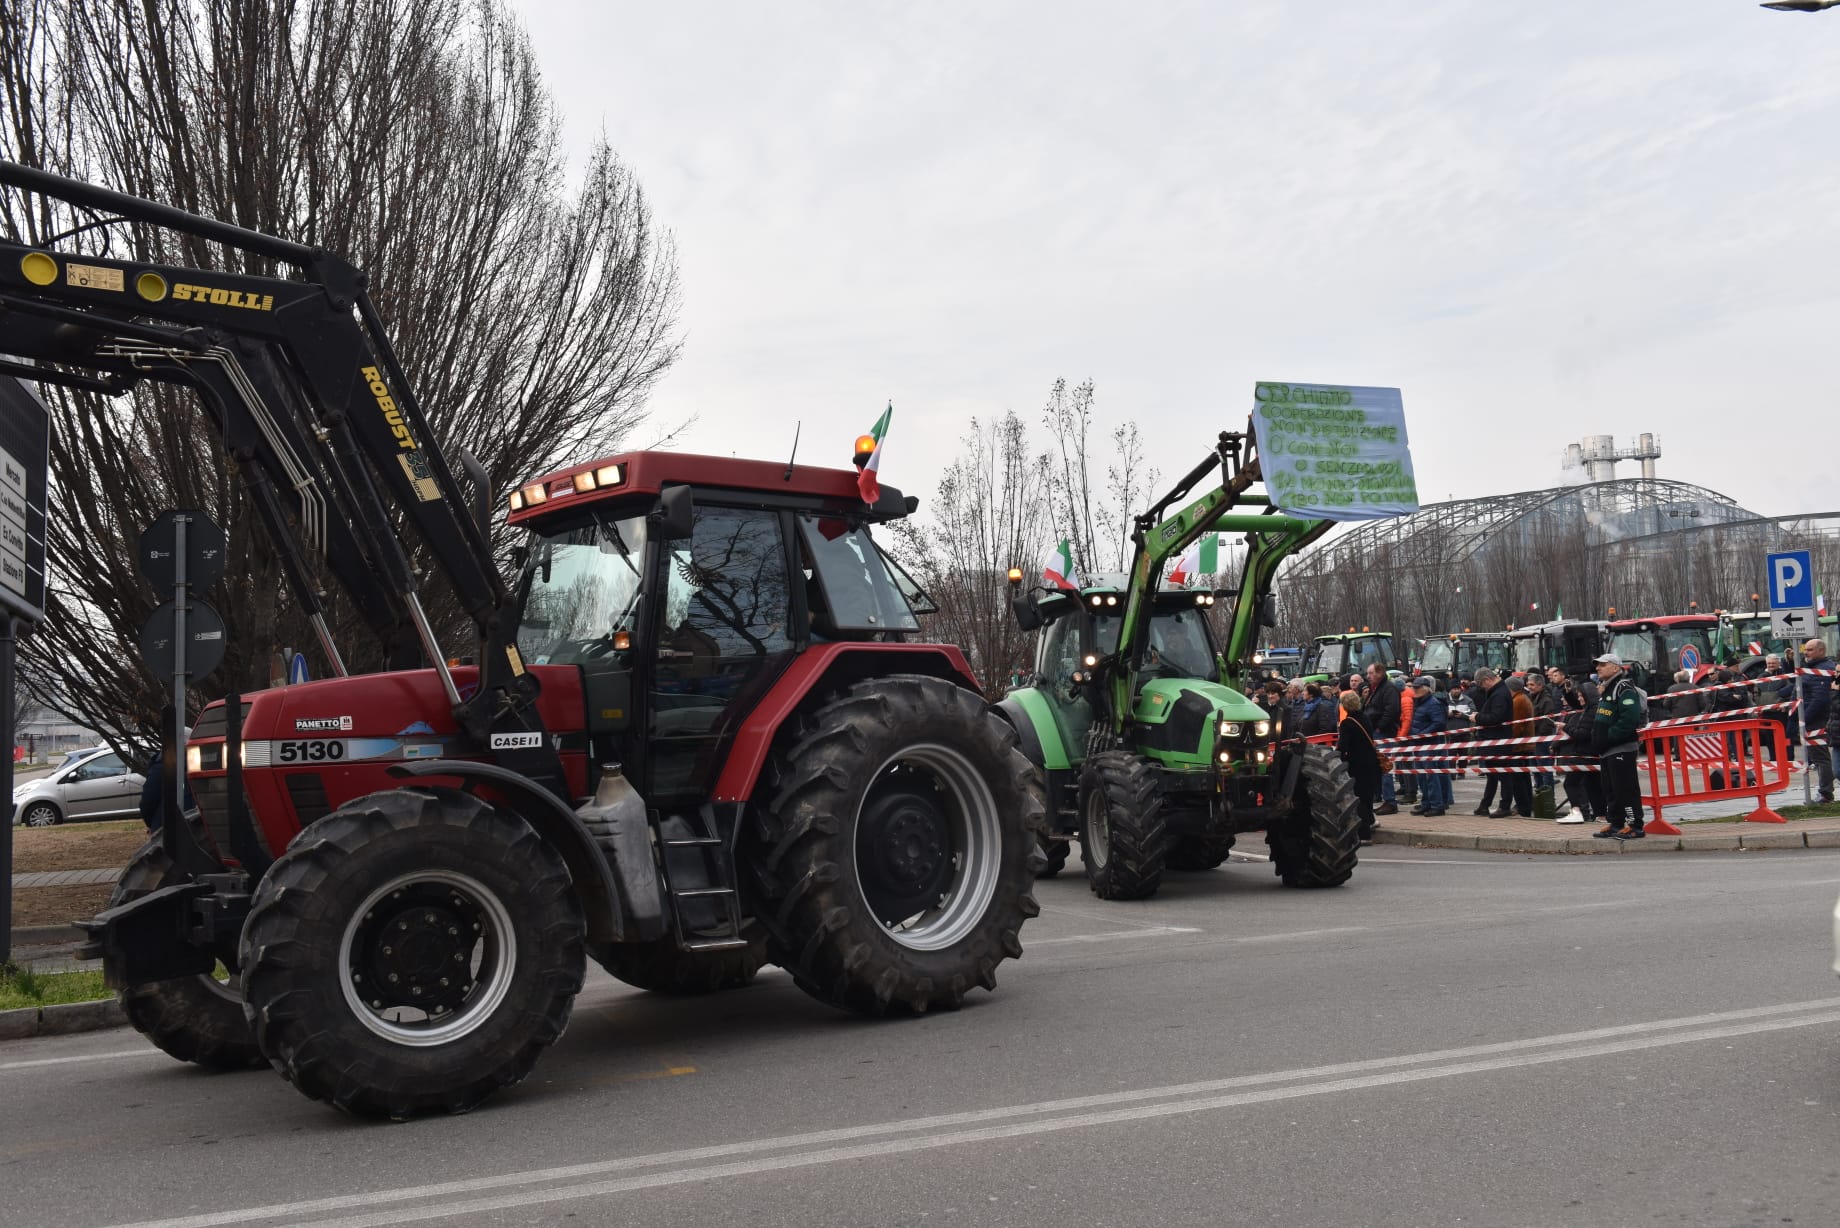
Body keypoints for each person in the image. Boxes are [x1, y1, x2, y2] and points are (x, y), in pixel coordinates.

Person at [1590, 653, 1647, 839]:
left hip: (1621, 748)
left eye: (1602, 665)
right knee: (1611, 789)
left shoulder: (1623, 687)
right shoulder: (1608, 688)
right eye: (1597, 665)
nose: (1598, 668)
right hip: (1608, 749)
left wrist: (1608, 737)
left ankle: (1635, 825)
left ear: (1615, 667)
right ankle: (1616, 823)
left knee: (1626, 788)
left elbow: (1630, 718)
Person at [1337, 689, 1381, 844]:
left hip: (1357, 764)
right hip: (1371, 762)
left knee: (1359, 798)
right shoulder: (1365, 718)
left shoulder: (1347, 723)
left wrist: (1338, 760)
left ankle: (1364, 834)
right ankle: (1370, 822)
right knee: (1367, 796)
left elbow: (1343, 747)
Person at [1469, 667, 1513, 816]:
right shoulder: (1497, 692)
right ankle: (1485, 804)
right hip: (1493, 741)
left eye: (1481, 684)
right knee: (1492, 775)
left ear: (1487, 680)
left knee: (1502, 775)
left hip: (1497, 742)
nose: (1482, 688)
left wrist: (1478, 718)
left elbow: (1496, 717)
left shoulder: (1499, 694)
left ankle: (1504, 806)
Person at [1406, 676, 1452, 816]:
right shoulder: (1419, 702)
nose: (1415, 690)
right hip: (1419, 743)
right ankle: (1427, 802)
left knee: (1430, 776)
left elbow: (1439, 723)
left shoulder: (1433, 703)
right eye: (1414, 687)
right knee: (1422, 776)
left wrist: (1422, 734)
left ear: (1425, 689)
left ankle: (1436, 804)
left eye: (1418, 687)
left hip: (1428, 744)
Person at [1362, 662, 1403, 816]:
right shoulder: (1377, 689)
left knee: (1386, 767)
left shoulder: (1389, 689)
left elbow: (1391, 710)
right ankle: (1385, 798)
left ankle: (1390, 801)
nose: (1368, 676)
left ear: (1380, 673)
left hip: (1384, 733)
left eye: (1371, 673)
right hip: (1376, 732)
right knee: (1380, 767)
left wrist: (1379, 726)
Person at [1802, 638, 1836, 802]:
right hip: (1815, 719)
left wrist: (1803, 719)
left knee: (1821, 758)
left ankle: (1825, 793)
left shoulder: (1822, 670)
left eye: (1809, 650)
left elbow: (1819, 700)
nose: (1805, 653)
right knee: (1819, 757)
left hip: (1817, 720)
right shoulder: (1811, 669)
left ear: (1821, 651)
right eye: (1805, 649)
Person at [1502, 676, 1536, 817]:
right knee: (1523, 777)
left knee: (1518, 780)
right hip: (1523, 745)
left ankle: (1523, 808)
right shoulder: (1521, 698)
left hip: (1519, 746)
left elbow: (1517, 725)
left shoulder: (1519, 700)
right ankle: (1525, 806)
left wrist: (1508, 740)